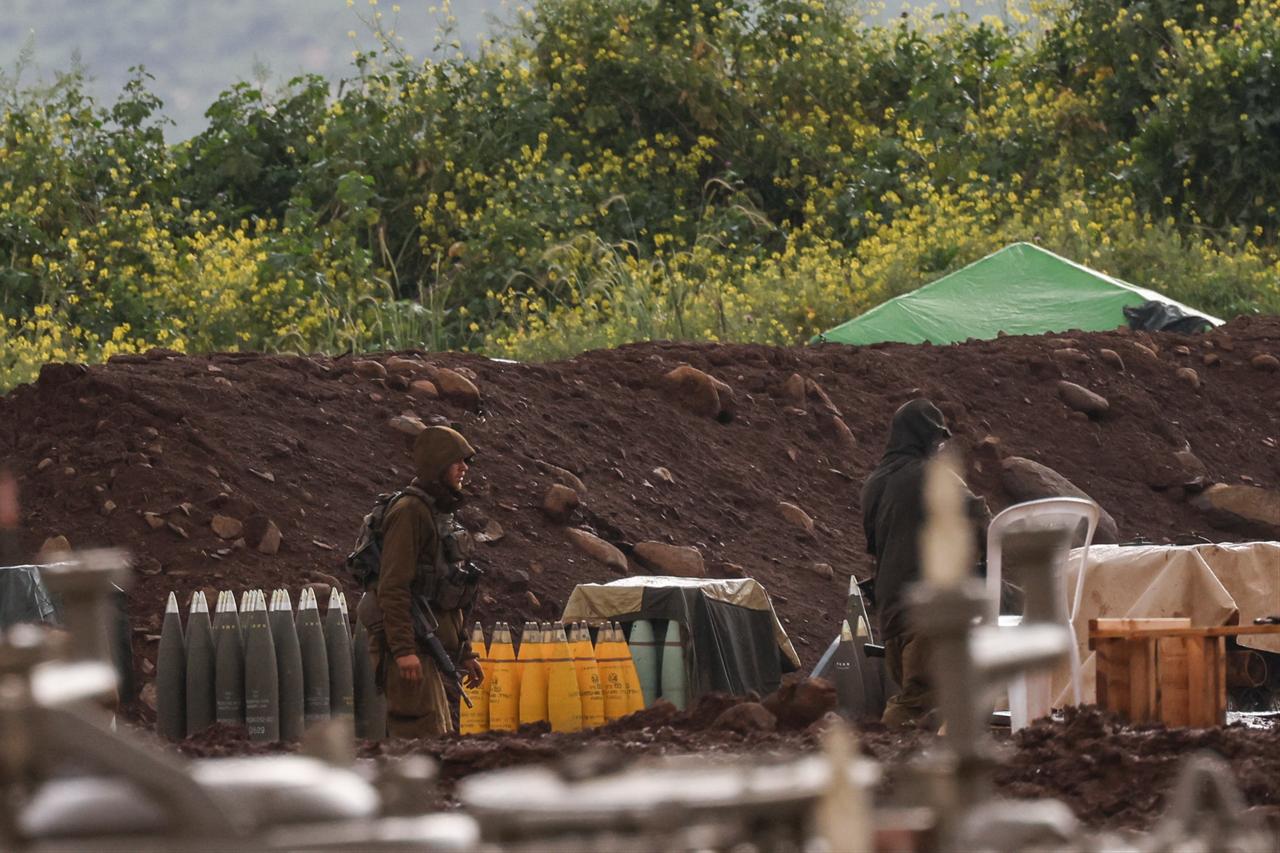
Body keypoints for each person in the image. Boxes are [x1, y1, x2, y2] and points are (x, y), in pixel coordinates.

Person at [861, 399, 988, 727]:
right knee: (918, 703)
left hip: (891, 614)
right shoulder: (933, 476)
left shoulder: (873, 484)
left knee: (923, 702)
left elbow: (876, 546)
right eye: (936, 441)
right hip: (927, 613)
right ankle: (881, 752)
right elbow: (978, 518)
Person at [357, 426, 485, 737]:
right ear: (438, 465)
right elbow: (393, 586)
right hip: (408, 644)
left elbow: (445, 593)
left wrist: (464, 652)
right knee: (418, 734)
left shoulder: (435, 512)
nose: (464, 468)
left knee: (437, 734)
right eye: (456, 461)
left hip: (425, 646)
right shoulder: (409, 512)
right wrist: (403, 650)